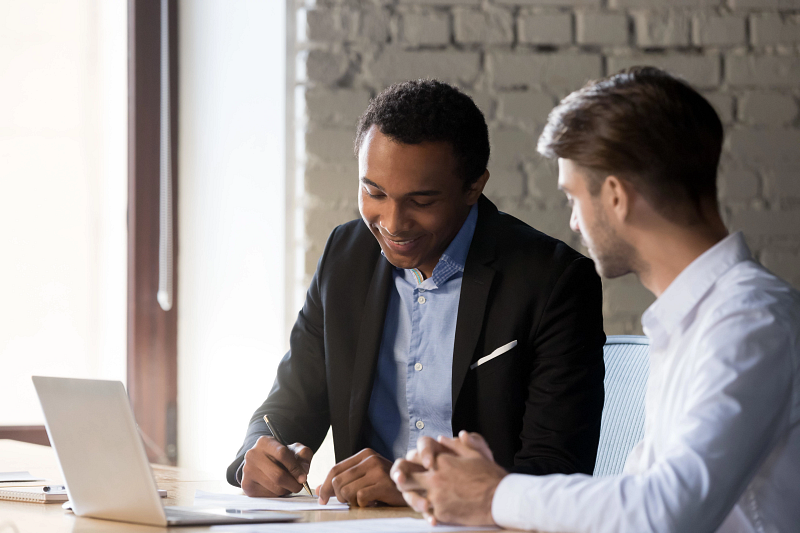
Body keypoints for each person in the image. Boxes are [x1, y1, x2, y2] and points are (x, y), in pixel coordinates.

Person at [391, 67, 800, 532]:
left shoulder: (750, 320)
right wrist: (490, 484)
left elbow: (664, 511)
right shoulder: (697, 319)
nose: (574, 224)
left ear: (615, 197)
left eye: (572, 198)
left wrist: (493, 493)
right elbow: (632, 499)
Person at [226, 79, 606, 507]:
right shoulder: (345, 257)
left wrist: (417, 489)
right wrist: (258, 454)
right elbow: (289, 404)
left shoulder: (553, 282)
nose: (392, 222)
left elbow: (556, 471)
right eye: (374, 193)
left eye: (421, 201)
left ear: (473, 187)